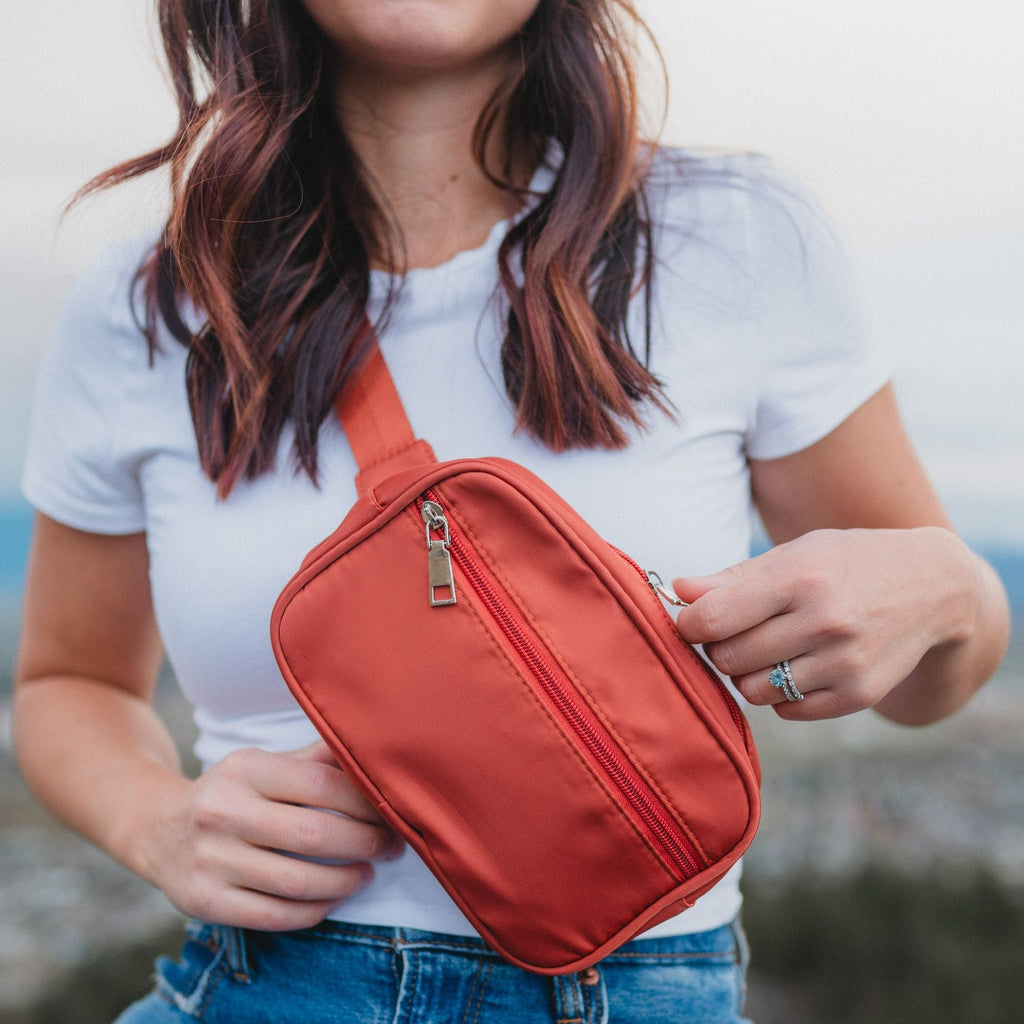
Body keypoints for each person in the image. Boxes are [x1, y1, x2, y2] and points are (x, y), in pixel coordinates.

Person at [13, 1, 1010, 1021]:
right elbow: (68, 679)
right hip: (265, 983)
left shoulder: (739, 237)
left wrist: (950, 590)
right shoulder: (148, 305)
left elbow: (934, 673)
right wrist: (158, 822)